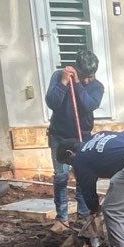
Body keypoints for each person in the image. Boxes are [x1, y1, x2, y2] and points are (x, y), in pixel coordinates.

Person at [44, 49, 104, 224]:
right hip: (59, 136)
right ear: (75, 68)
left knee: (82, 175)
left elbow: (89, 105)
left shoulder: (97, 86)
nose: (87, 80)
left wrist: (78, 84)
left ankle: (83, 216)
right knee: (61, 176)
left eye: (90, 76)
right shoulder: (58, 76)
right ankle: (61, 218)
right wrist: (64, 82)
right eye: (84, 75)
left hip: (82, 137)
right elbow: (52, 102)